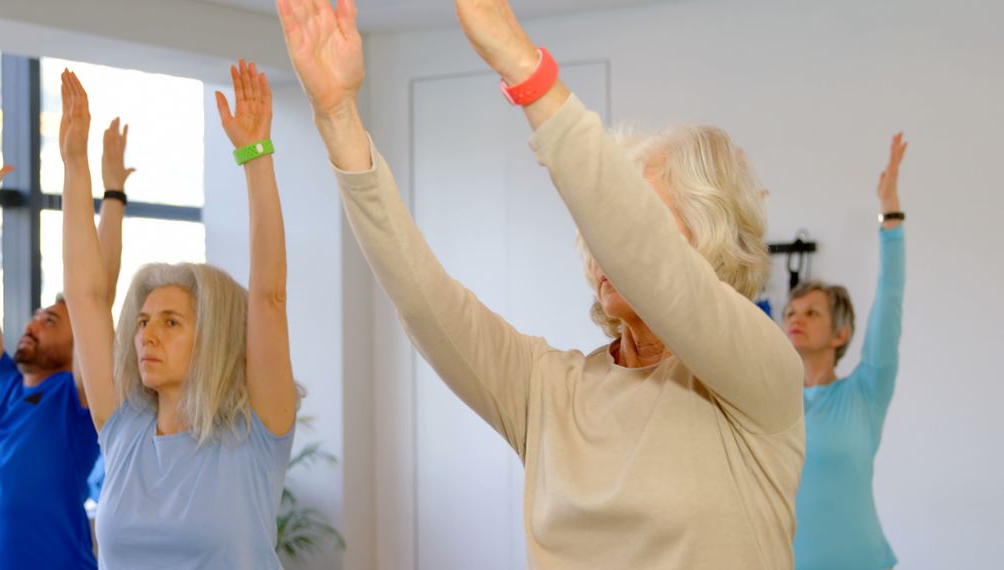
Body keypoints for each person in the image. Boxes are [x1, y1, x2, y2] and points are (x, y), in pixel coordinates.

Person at [276, 0, 805, 567]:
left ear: (710, 239)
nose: (603, 243)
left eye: (642, 219)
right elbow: (421, 296)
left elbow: (652, 262)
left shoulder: (758, 376)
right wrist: (337, 118)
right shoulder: (549, 391)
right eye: (596, 228)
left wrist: (519, 63)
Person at [58, 62, 298, 569]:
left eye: (171, 322)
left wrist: (256, 156)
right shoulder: (122, 428)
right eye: (144, 322)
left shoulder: (256, 432)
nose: (147, 335)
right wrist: (74, 164)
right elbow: (85, 297)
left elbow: (269, 296)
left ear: (213, 336)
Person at [0, 119, 132, 569]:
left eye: (50, 320)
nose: (33, 324)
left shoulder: (74, 401)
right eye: (36, 317)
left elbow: (97, 296)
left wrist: (112, 195)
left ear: (79, 344)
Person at [787, 134, 908, 570]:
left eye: (812, 313)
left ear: (841, 334)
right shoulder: (771, 402)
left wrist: (890, 214)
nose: (795, 319)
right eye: (791, 312)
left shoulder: (866, 392)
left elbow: (890, 297)